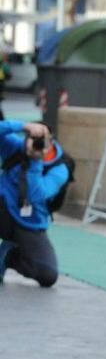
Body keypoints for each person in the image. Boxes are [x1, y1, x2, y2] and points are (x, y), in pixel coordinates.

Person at [0, 120, 66, 287]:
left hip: (29, 223)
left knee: (47, 275)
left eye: (42, 139)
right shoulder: (16, 147)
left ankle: (10, 257)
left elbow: (36, 195)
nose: (36, 143)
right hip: (4, 208)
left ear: (51, 141)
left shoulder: (59, 169)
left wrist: (35, 161)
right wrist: (23, 126)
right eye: (33, 137)